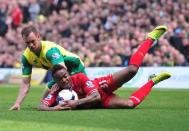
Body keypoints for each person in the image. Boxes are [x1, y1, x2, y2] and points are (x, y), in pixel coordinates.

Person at [39, 25, 171, 111]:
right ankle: (152, 81)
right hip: (102, 102)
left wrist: (76, 103)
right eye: (60, 79)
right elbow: (42, 106)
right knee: (130, 105)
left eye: (65, 76)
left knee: (132, 70)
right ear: (56, 82)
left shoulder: (79, 77)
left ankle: (149, 39)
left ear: (68, 74)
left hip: (101, 87)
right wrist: (55, 108)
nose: (64, 80)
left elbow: (95, 96)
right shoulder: (56, 90)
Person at [10, 25, 87, 110]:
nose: (31, 45)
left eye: (32, 41)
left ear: (38, 37)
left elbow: (62, 70)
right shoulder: (26, 57)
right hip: (60, 72)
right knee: (48, 94)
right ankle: (44, 105)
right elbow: (25, 83)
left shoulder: (49, 50)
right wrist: (17, 103)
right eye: (27, 43)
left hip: (75, 67)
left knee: (83, 96)